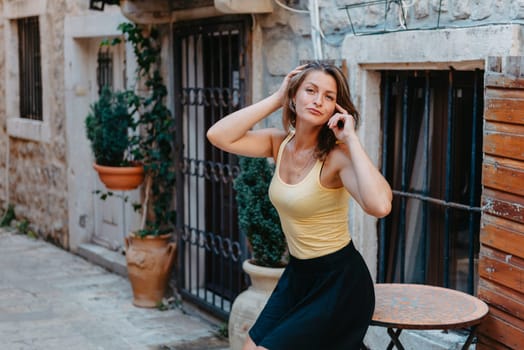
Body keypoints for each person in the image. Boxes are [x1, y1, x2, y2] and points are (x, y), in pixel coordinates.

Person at [207, 62, 392, 350]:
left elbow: (380, 206)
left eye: (329, 96)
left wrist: (351, 141)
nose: (319, 101)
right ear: (294, 97)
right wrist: (276, 98)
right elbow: (218, 135)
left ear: (336, 108)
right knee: (249, 346)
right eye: (311, 90)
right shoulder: (278, 143)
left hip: (339, 282)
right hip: (299, 274)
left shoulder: (336, 159)